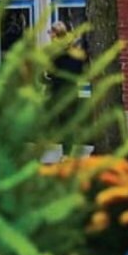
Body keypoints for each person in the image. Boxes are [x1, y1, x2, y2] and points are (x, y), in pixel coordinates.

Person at [46, 21, 86, 157]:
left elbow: (50, 72)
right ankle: (69, 153)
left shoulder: (56, 52)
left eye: (51, 33)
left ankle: (67, 153)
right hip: (73, 89)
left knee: (64, 123)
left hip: (60, 90)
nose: (50, 36)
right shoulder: (75, 50)